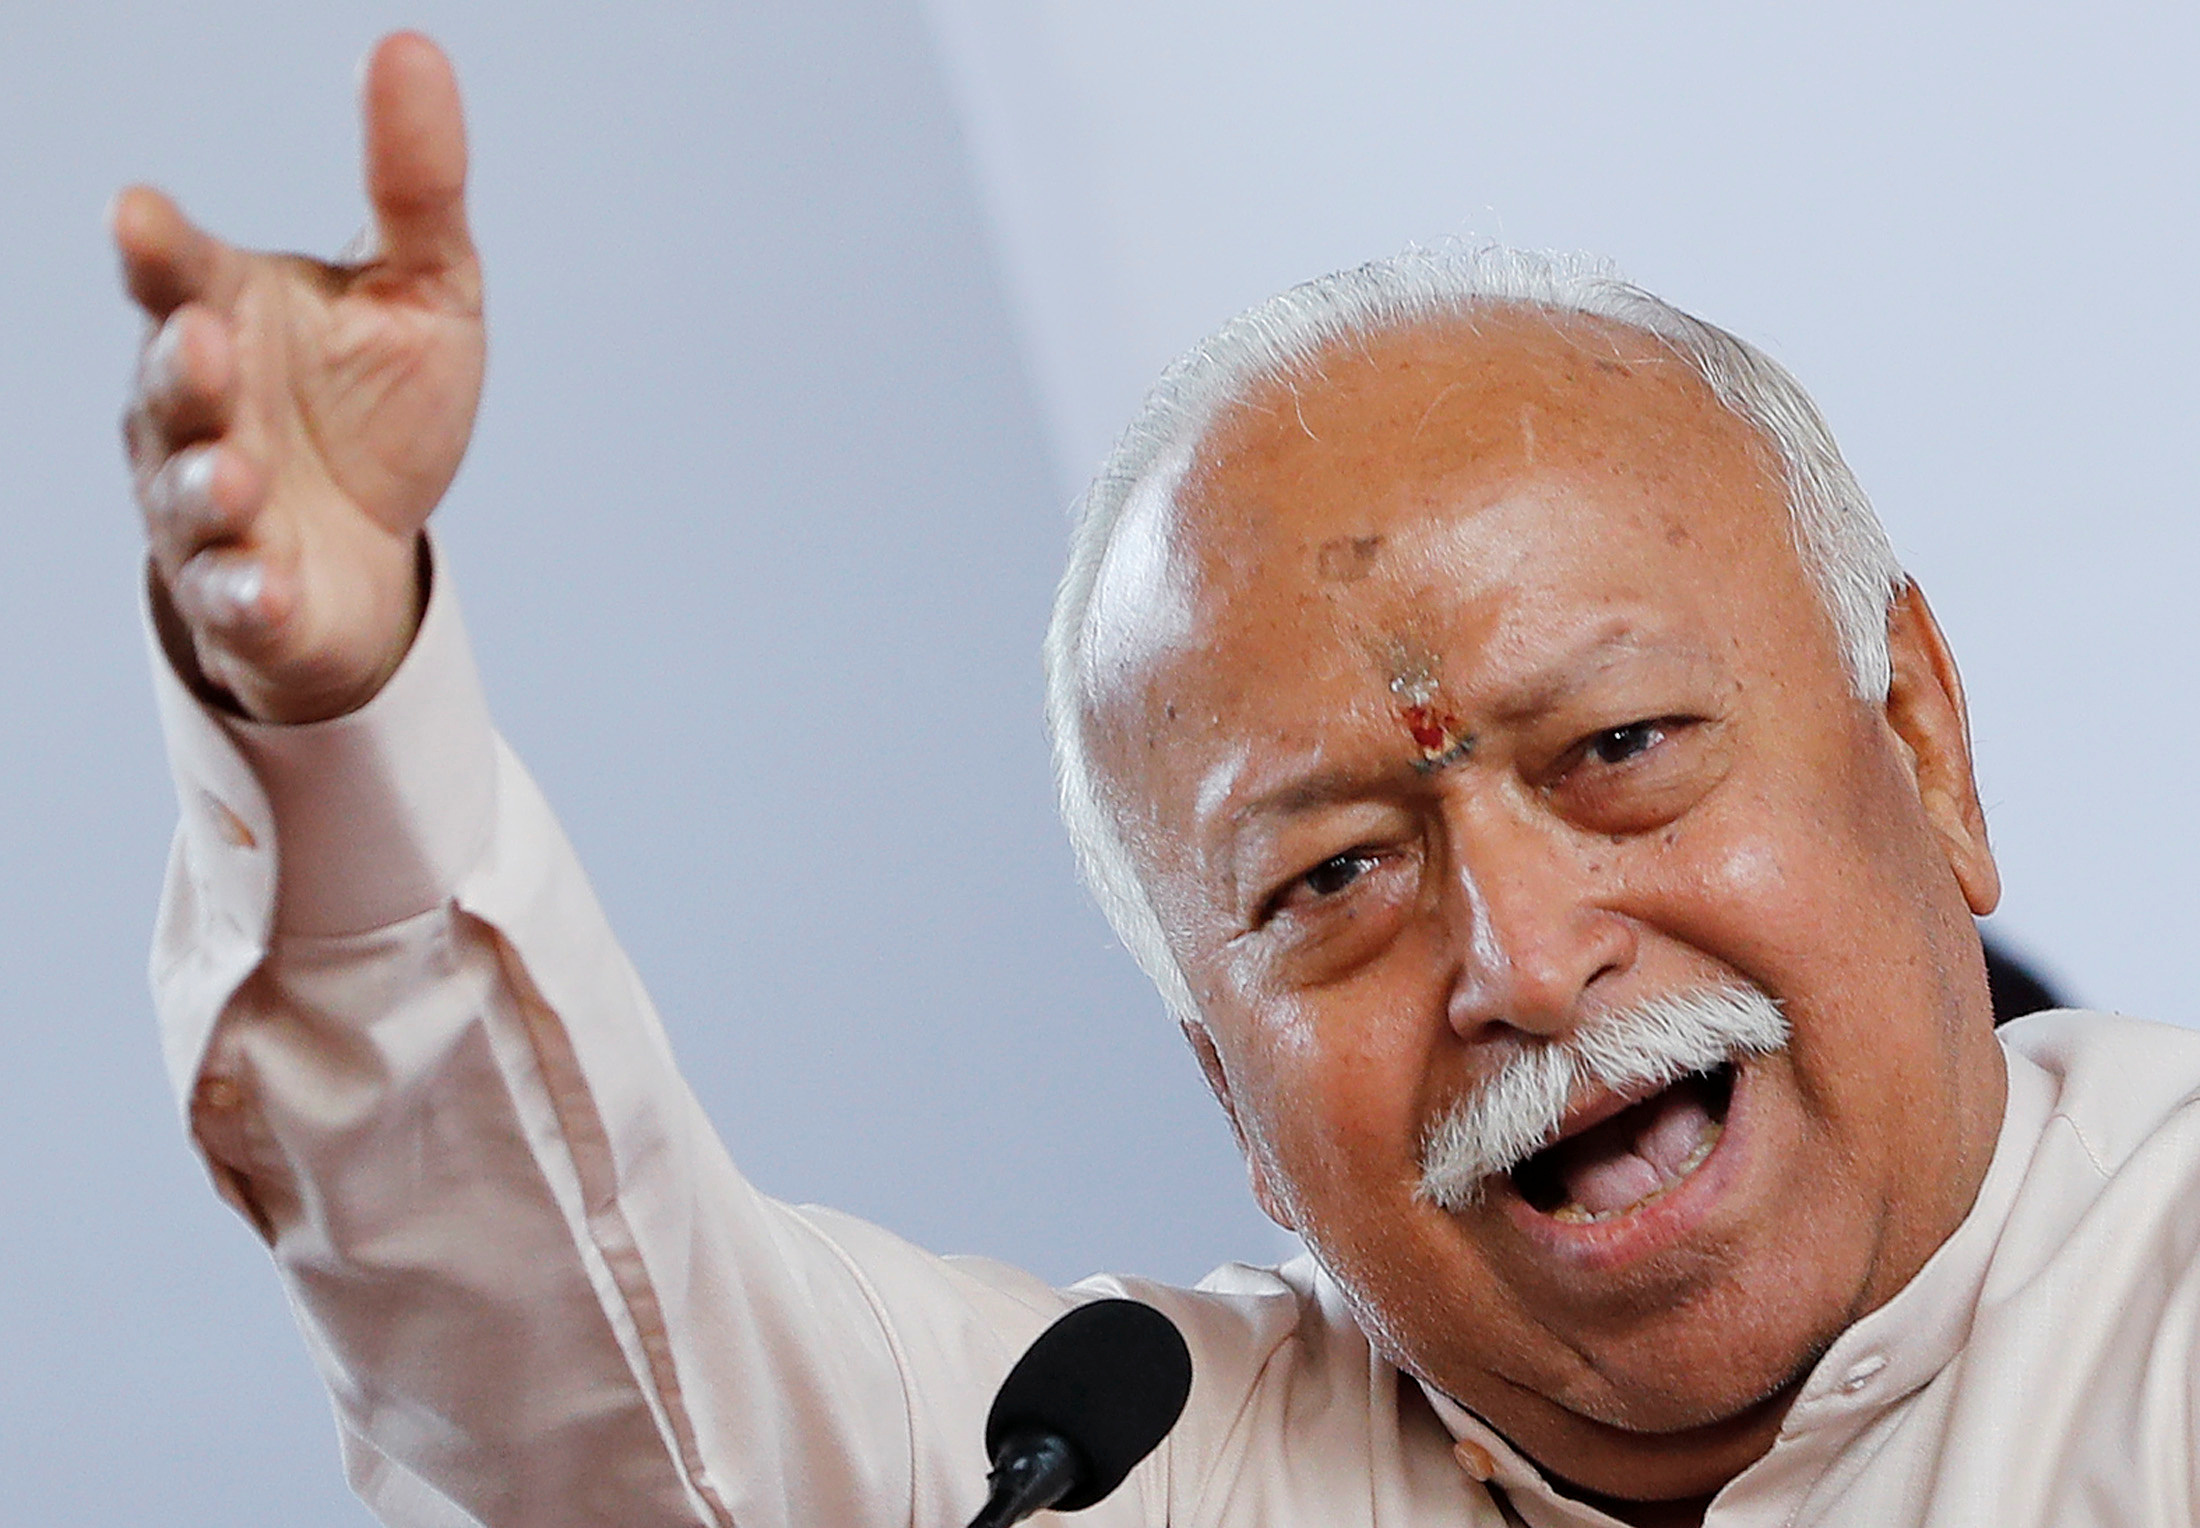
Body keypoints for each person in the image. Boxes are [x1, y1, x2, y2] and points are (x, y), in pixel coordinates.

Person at [112, 32, 2200, 1528]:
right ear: (1229, 1098)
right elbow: (585, 1371)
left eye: (1617, 751)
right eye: (1331, 879)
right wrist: (336, 711)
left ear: (1921, 746)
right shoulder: (1105, 1457)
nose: (1520, 958)